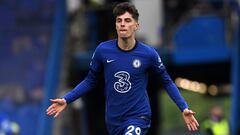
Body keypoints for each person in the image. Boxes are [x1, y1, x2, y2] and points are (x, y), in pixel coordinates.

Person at [46, 2, 199, 135]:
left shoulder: (148, 54)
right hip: (113, 120)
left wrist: (183, 108)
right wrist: (67, 99)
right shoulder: (103, 51)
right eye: (119, 21)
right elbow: (90, 81)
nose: (122, 24)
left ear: (136, 25)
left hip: (139, 117)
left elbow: (167, 82)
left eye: (127, 20)